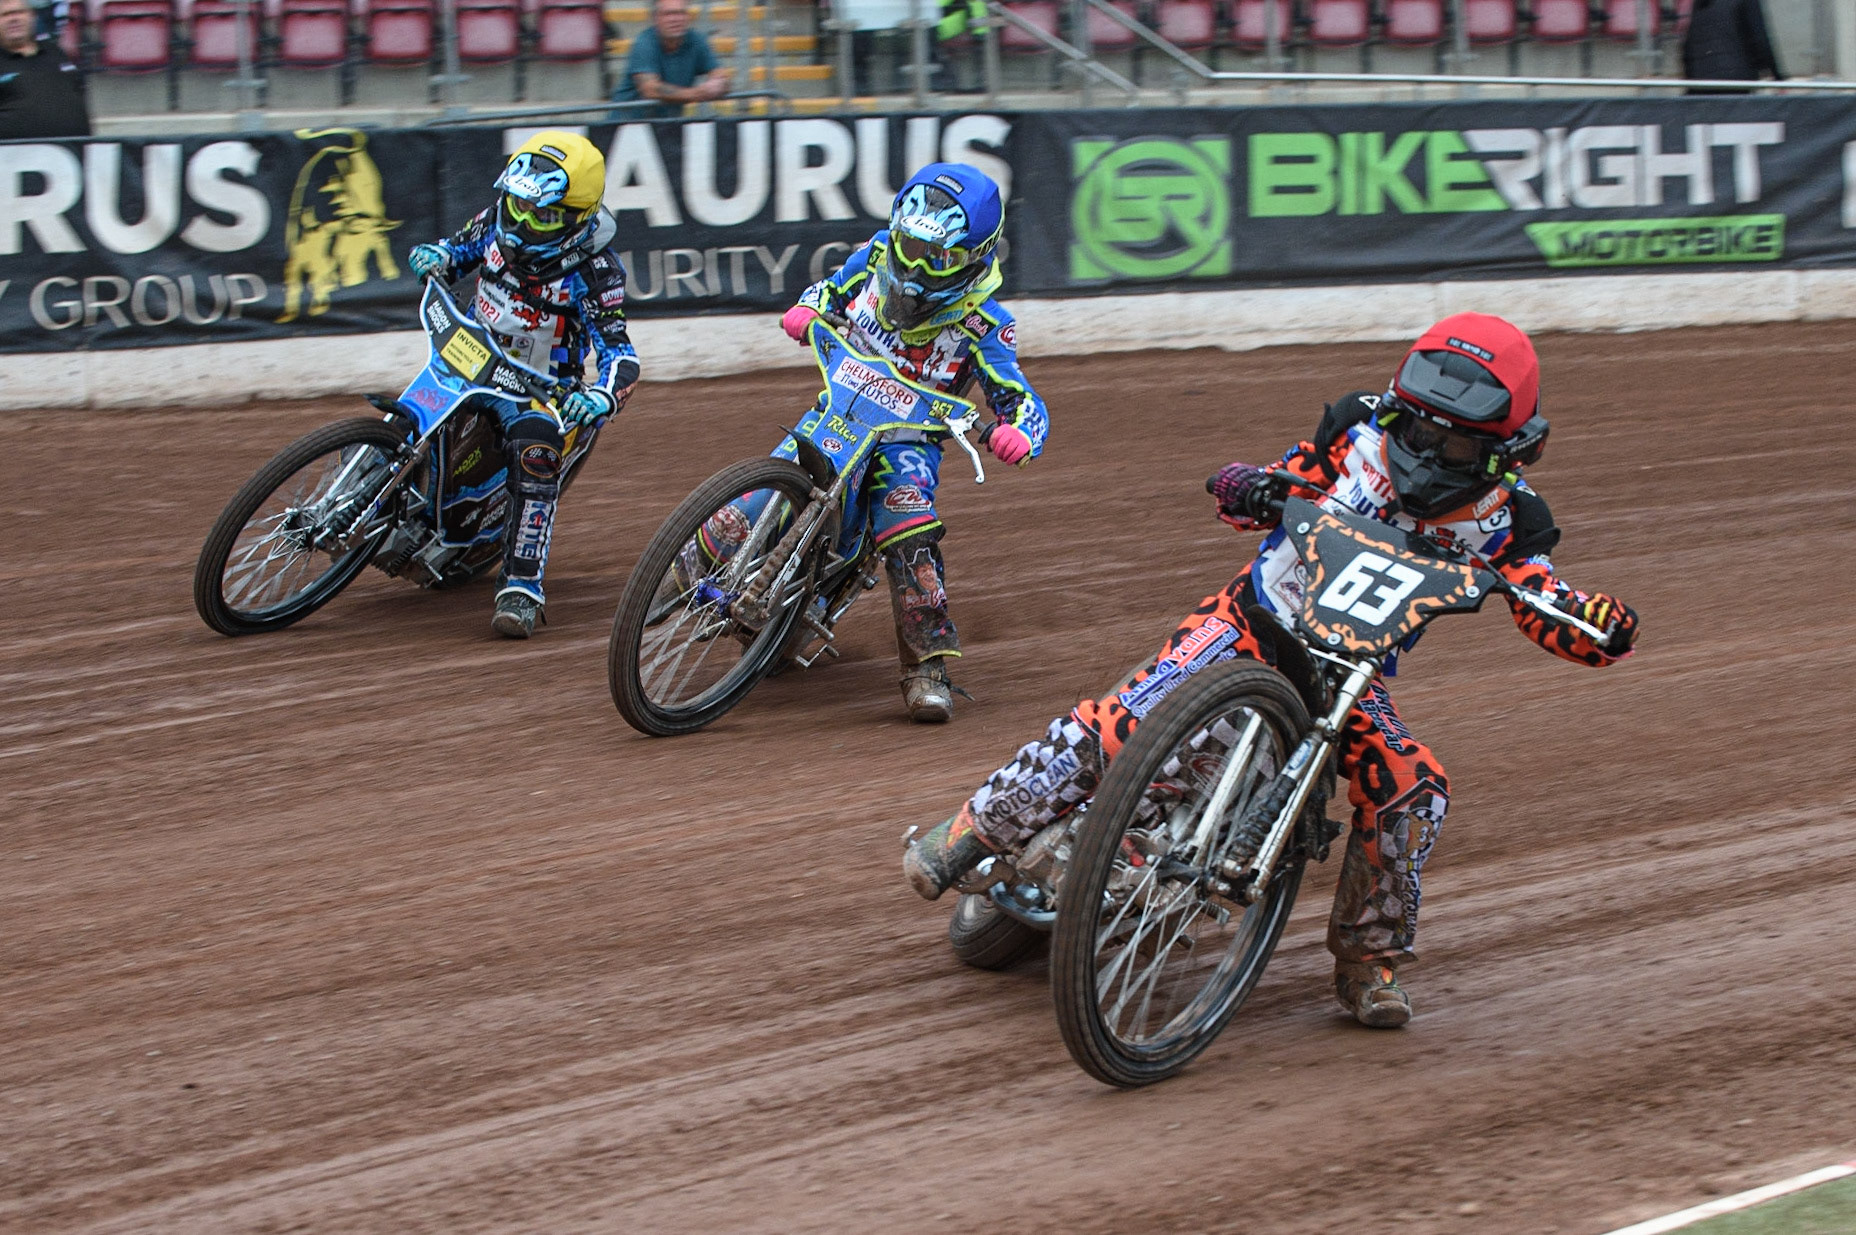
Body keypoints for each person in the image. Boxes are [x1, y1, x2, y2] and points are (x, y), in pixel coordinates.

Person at [903, 313, 1641, 1027]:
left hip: (1349, 675)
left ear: (1507, 450)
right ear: (1399, 407)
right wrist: (1248, 486)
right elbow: (1278, 480)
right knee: (1125, 721)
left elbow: (1546, 601)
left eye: (1451, 446)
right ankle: (971, 829)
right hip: (1247, 620)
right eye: (1419, 430)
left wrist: (1598, 625)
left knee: (1414, 787)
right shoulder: (1356, 429)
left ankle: (1367, 960)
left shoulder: (1514, 521)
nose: (1427, 449)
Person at [775, 161, 1048, 723]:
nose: (916, 265)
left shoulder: (986, 323)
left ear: (975, 257)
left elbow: (1017, 395)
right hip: (840, 409)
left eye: (939, 257)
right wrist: (811, 307)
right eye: (910, 245)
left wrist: (1019, 430)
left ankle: (927, 668)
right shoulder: (876, 256)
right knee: (768, 485)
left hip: (909, 440)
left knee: (908, 529)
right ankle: (682, 570)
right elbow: (830, 289)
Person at [406, 131, 640, 639]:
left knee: (537, 455)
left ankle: (521, 586)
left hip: (539, 389)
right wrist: (437, 257)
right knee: (407, 420)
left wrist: (600, 395)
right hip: (469, 355)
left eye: (546, 216)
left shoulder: (596, 271)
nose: (524, 223)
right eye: (519, 205)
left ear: (579, 217)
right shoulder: (496, 220)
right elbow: (458, 251)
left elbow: (621, 354)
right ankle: (358, 493)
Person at [611, 0, 731, 119]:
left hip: (667, 126)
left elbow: (720, 75)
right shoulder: (644, 43)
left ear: (688, 17)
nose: (675, 19)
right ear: (656, 18)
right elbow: (650, 89)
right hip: (627, 124)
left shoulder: (696, 40)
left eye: (681, 13)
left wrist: (718, 84)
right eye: (668, 14)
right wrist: (697, 93)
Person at [0, 0, 88, 141]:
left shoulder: (56, 52)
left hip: (73, 154)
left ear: (33, 16)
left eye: (19, 12)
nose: (14, 19)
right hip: (16, 159)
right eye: (5, 15)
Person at [1682, 0, 1783, 94]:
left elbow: (1689, 46)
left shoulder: (1699, 3)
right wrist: (1777, 77)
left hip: (1701, 83)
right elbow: (1759, 39)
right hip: (1736, 81)